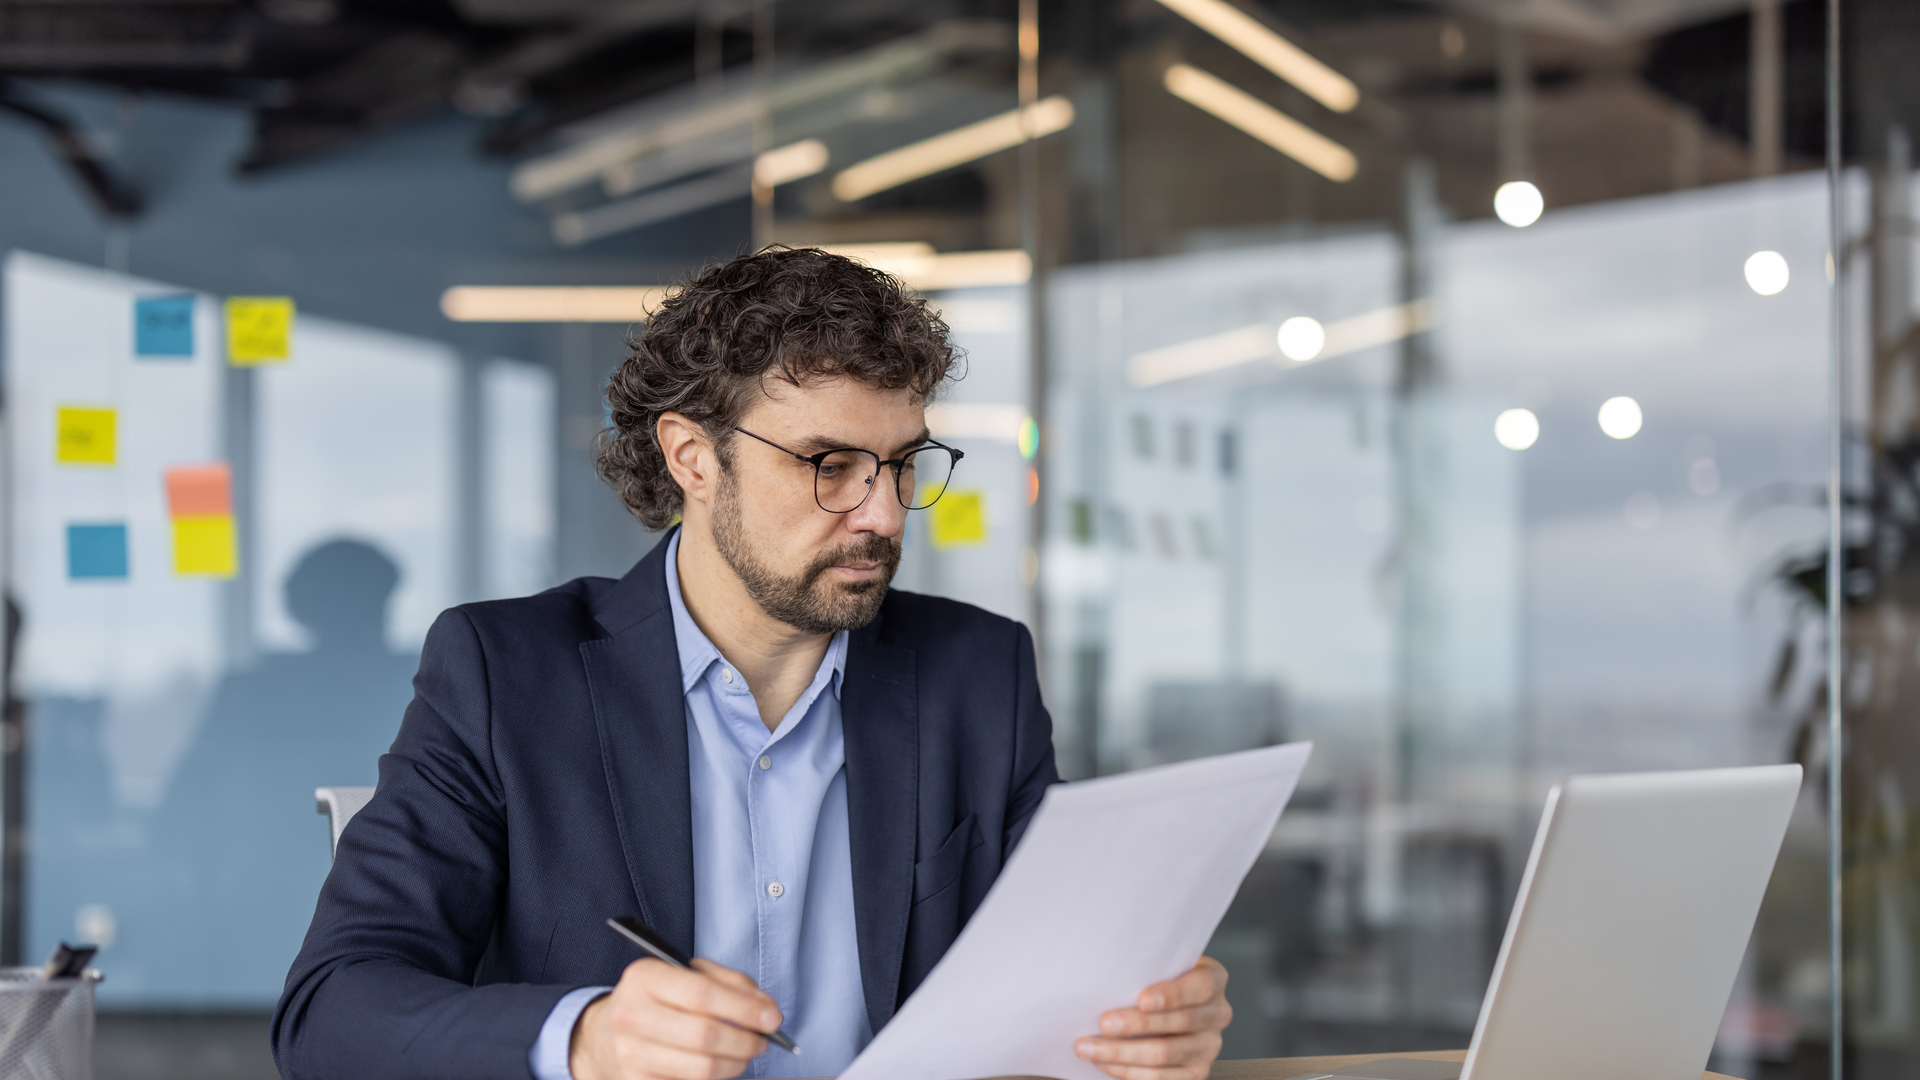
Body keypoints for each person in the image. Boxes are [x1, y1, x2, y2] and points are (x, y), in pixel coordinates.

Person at [272, 248, 1233, 1080]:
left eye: (902, 463)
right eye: (830, 464)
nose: (885, 513)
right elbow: (331, 1013)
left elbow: (1054, 976)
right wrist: (589, 1041)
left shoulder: (977, 674)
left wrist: (1142, 1029)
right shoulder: (508, 673)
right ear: (693, 456)